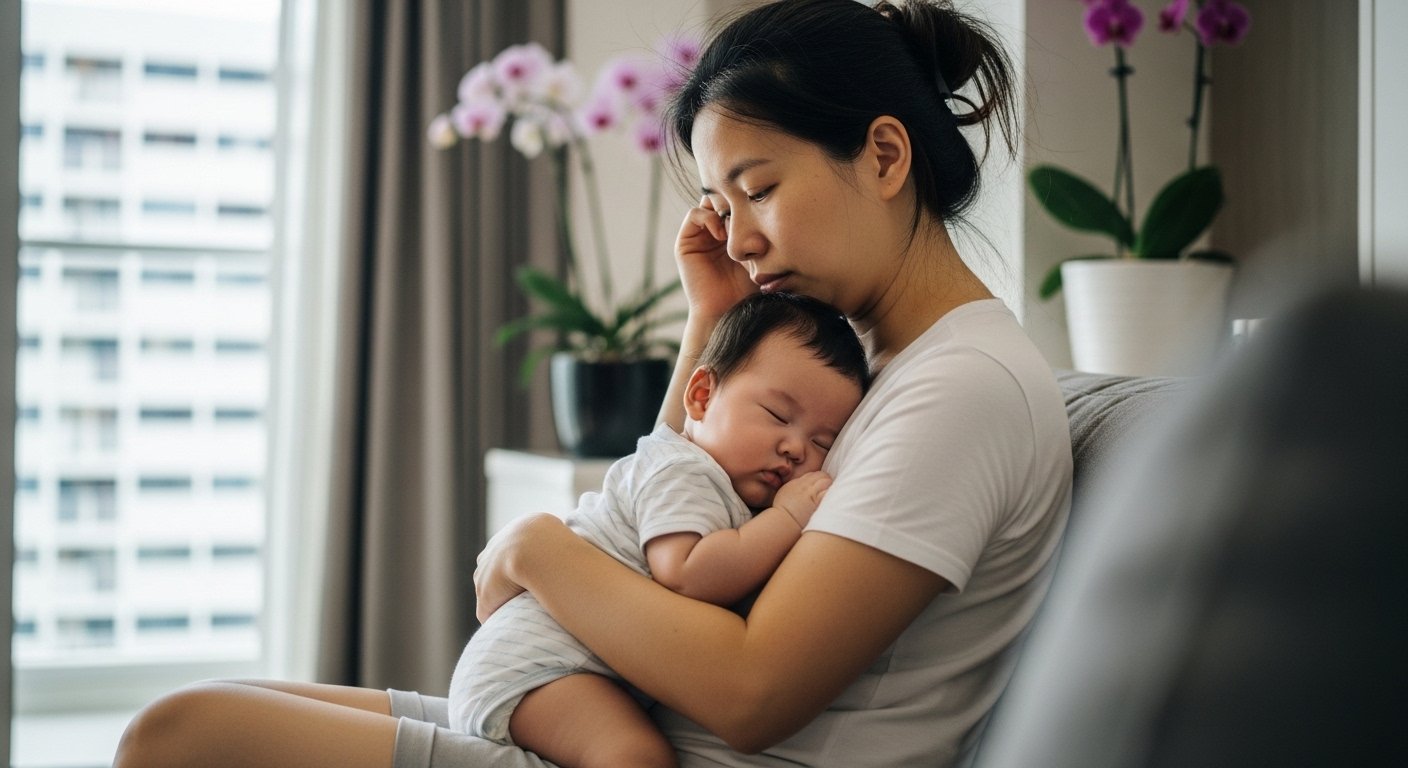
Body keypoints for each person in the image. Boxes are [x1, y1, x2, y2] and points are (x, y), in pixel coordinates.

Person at [112, 1, 1072, 766]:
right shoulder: (872, 363)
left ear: (886, 155)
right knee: (202, 714)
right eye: (719, 203)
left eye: (761, 188)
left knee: (181, 739)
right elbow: (666, 504)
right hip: (634, 717)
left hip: (677, 748)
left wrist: (536, 546)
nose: (737, 235)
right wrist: (712, 321)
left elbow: (749, 694)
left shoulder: (962, 387)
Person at [448, 291, 868, 768]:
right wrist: (788, 519)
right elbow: (685, 573)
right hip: (533, 667)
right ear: (701, 396)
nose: (795, 448)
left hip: (564, 673)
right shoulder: (683, 471)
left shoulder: (719, 484)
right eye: (777, 415)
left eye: (821, 442)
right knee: (637, 756)